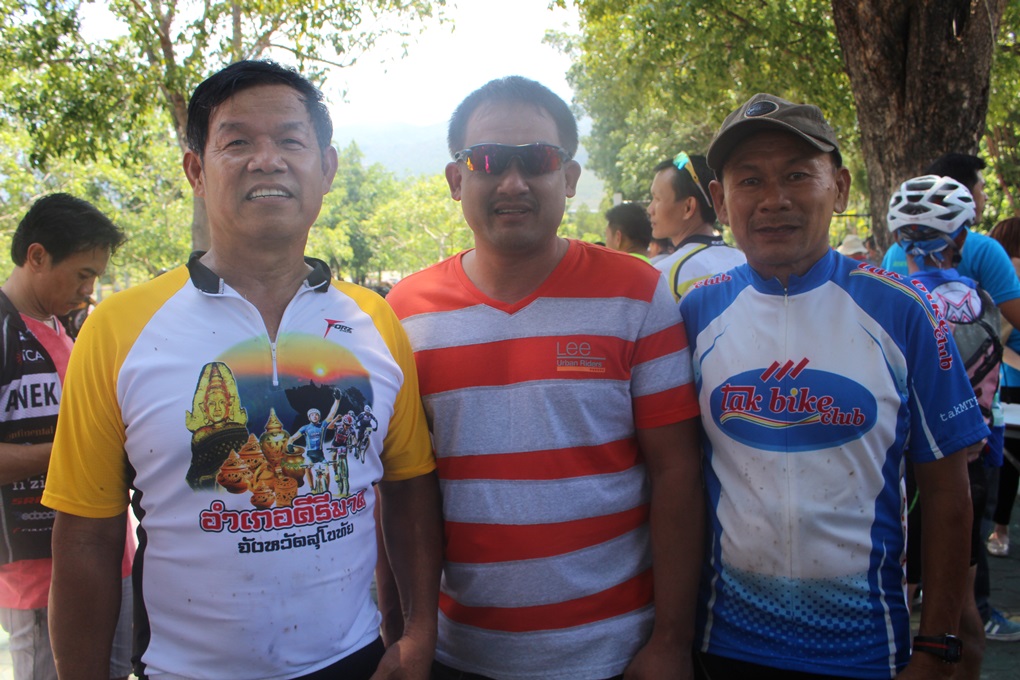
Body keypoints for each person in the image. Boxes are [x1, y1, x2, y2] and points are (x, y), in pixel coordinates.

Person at [42, 60, 442, 680]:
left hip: (354, 661)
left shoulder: (374, 321)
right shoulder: (118, 330)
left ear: (327, 167)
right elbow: (86, 534)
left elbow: (409, 487)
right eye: (237, 142)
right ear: (196, 171)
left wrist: (415, 633)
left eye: (290, 140)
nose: (267, 160)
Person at [386, 76, 704, 680]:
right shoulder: (405, 314)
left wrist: (671, 641)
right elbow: (399, 491)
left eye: (538, 160)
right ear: (456, 180)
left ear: (570, 177)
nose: (513, 182)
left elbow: (677, 474)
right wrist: (403, 633)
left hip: (612, 655)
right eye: (487, 160)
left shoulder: (638, 295)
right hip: (456, 654)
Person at [681, 93, 986, 679]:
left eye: (798, 175)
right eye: (750, 180)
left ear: (840, 188)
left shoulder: (906, 312)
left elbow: (949, 492)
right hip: (724, 642)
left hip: (866, 648)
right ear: (720, 199)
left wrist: (937, 645)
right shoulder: (693, 314)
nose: (774, 199)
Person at [0, 194, 132, 680]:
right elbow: (74, 444)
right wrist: (72, 453)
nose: (90, 291)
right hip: (38, 571)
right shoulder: (4, 330)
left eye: (95, 277)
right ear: (37, 257)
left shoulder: (65, 328)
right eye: (82, 274)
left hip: (105, 553)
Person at [888, 174, 1005, 678]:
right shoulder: (983, 300)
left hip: (910, 472)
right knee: (960, 607)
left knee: (901, 598)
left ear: (899, 239)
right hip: (971, 465)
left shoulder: (896, 300)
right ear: (961, 237)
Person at [647, 152, 745, 301]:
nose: (650, 209)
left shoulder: (666, 275)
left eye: (657, 198)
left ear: (688, 207)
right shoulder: (743, 259)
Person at [988, 216, 1020, 561]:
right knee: (1010, 464)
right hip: (1012, 391)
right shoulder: (1008, 281)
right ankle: (1000, 529)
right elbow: (997, 341)